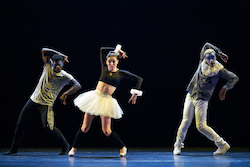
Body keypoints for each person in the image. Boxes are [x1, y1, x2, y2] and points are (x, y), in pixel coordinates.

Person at [68, 44, 143, 157]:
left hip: (106, 101)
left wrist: (135, 93)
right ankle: (73, 149)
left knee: (107, 131)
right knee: (84, 128)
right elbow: (102, 50)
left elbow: (139, 79)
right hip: (94, 98)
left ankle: (122, 147)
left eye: (113, 61)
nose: (111, 64)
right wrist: (117, 50)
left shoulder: (121, 73)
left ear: (117, 62)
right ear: (106, 61)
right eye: (109, 61)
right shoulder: (104, 67)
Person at [3, 48, 82, 155]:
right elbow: (44, 50)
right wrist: (61, 54)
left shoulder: (65, 76)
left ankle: (65, 145)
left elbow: (77, 85)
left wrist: (65, 94)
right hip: (33, 101)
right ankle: (13, 149)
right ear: (51, 63)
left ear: (63, 64)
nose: (57, 67)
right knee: (20, 125)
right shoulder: (48, 66)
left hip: (46, 105)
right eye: (55, 65)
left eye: (59, 65)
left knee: (48, 127)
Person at [173, 42, 239, 156]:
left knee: (201, 126)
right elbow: (206, 45)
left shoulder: (219, 69)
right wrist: (220, 52)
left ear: (215, 58)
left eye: (213, 58)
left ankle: (222, 144)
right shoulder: (201, 63)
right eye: (208, 58)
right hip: (191, 95)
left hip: (202, 99)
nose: (211, 61)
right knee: (185, 122)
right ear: (205, 58)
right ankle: (177, 146)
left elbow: (234, 78)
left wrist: (224, 89)